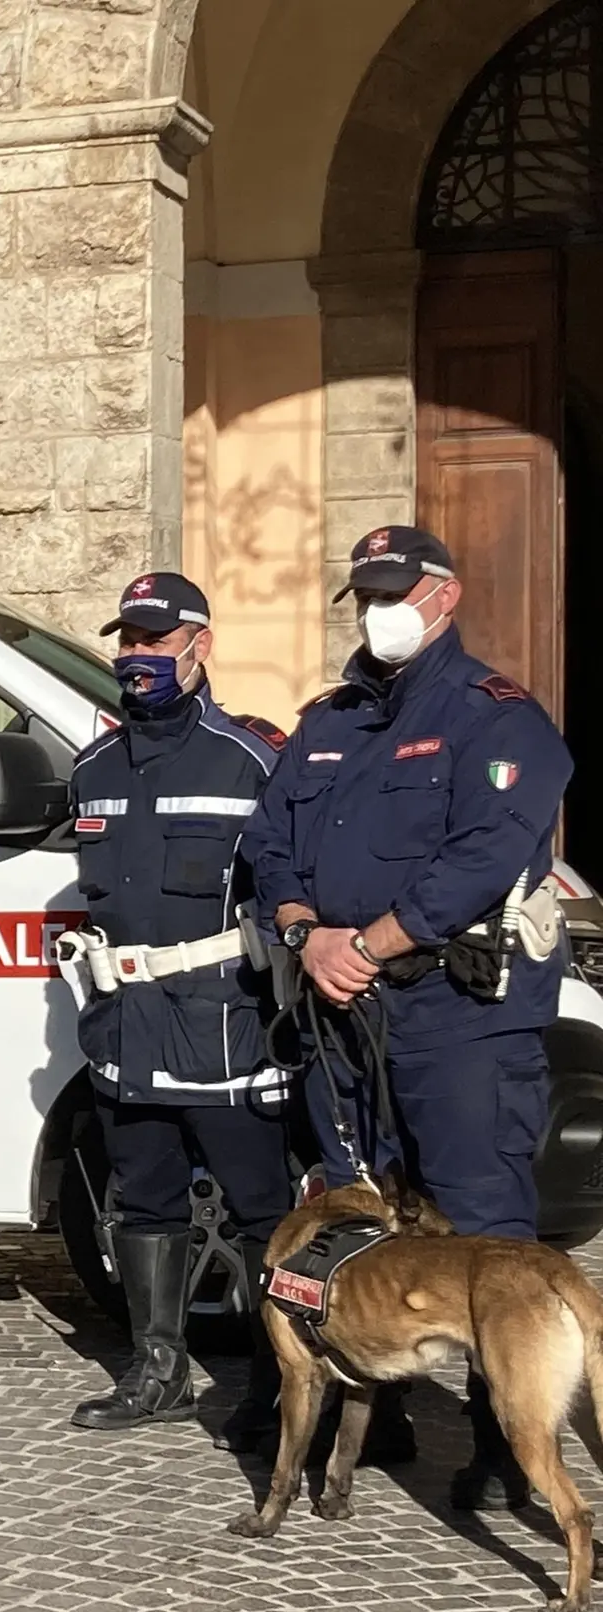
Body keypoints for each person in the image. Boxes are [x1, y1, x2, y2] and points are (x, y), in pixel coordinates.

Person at [244, 524, 574, 1504]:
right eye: (365, 593)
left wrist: (371, 940)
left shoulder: (499, 720)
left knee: (482, 1228)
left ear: (444, 595)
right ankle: (367, 1407)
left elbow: (485, 850)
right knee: (349, 1212)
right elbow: (270, 846)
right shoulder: (328, 720)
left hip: (458, 1014)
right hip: (342, 1015)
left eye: (395, 590)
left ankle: (502, 1448)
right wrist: (305, 931)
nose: (378, 610)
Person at [51, 573, 297, 1447]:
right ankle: (158, 1368)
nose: (138, 658)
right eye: (128, 641)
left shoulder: (255, 758)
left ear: (200, 645)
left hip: (223, 1026)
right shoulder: (92, 768)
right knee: (145, 1200)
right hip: (126, 1027)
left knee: (263, 1210)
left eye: (156, 642)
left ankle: (281, 1383)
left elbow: (286, 894)